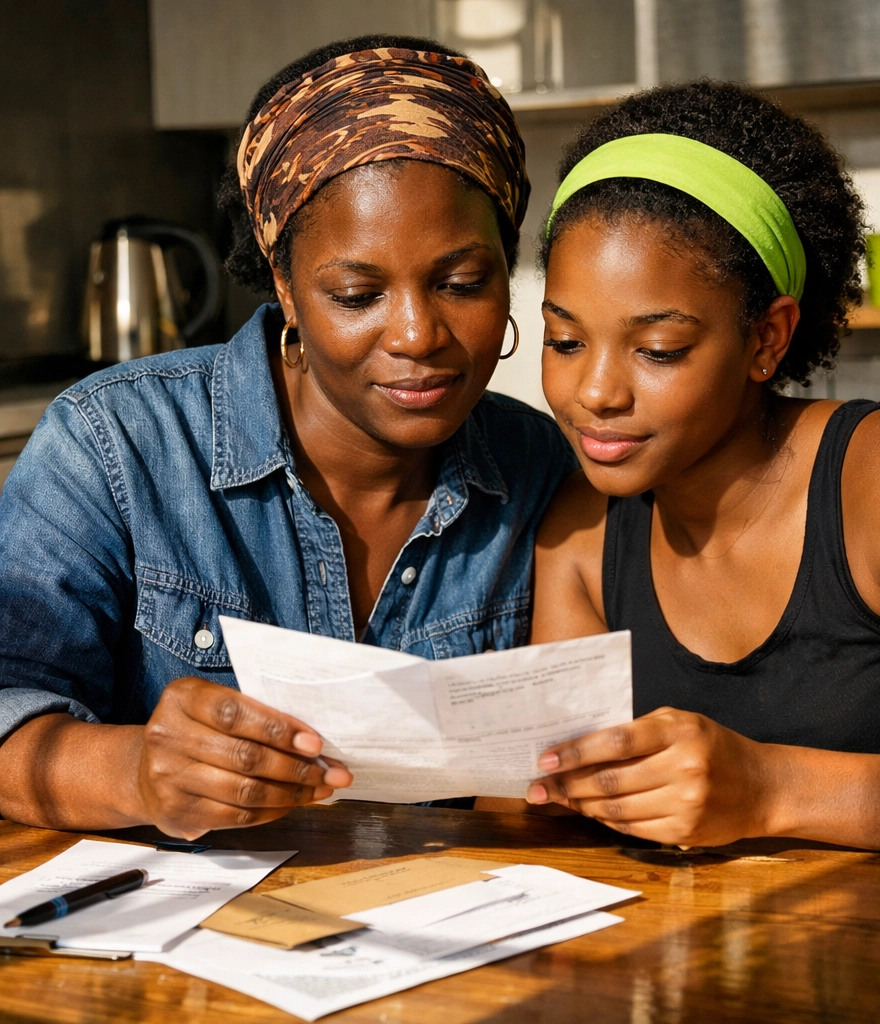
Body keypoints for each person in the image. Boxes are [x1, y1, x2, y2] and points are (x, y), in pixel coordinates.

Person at [0, 36, 575, 839]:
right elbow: (10, 713)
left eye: (461, 284)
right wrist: (136, 772)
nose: (417, 333)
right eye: (356, 293)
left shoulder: (547, 473)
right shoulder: (115, 444)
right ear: (286, 286)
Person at [523, 81, 880, 855]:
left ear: (766, 339)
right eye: (565, 342)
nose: (595, 393)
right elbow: (561, 801)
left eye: (659, 350)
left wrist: (769, 789)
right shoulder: (581, 534)